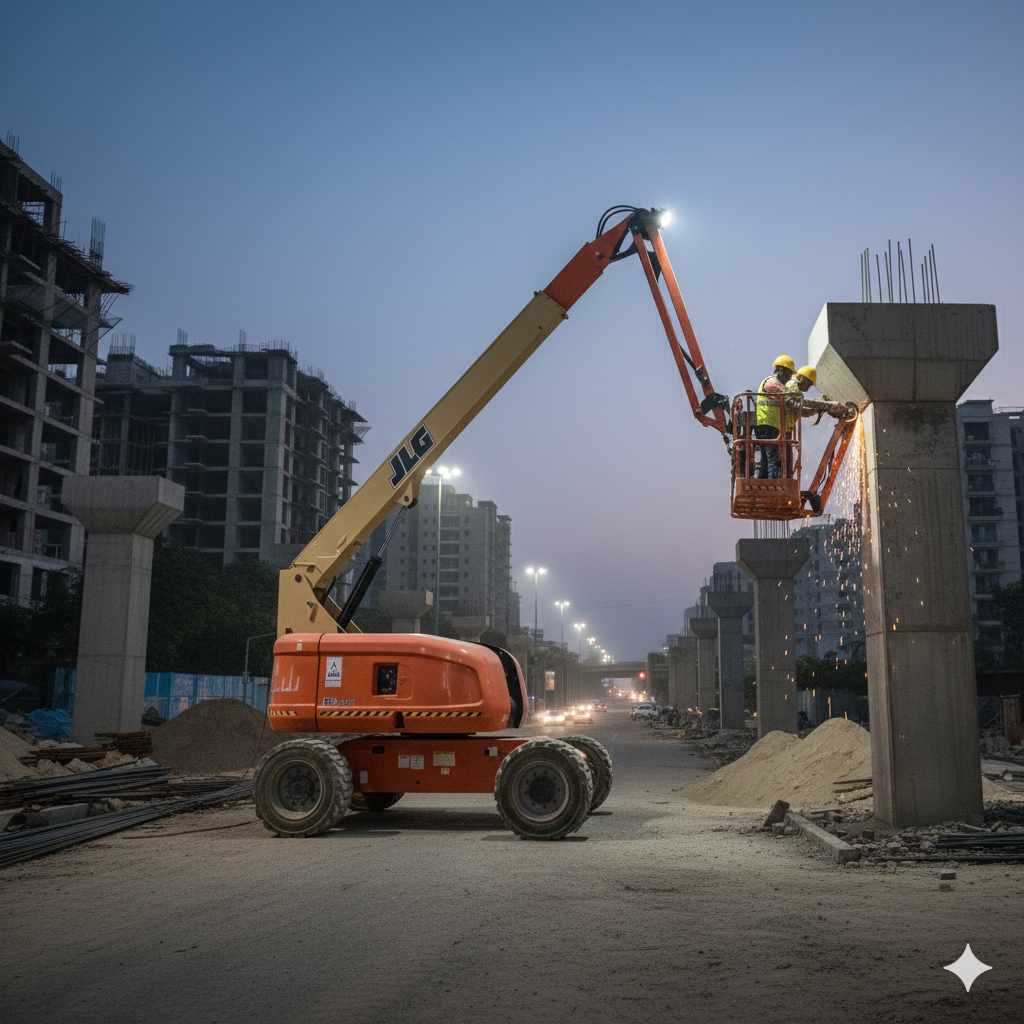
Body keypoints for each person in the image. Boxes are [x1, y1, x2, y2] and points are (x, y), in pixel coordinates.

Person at [754, 355, 795, 478]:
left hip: (768, 425)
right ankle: (774, 484)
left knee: (766, 460)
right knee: (774, 459)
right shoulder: (772, 382)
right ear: (782, 370)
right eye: (789, 374)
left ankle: (763, 481)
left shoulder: (773, 382)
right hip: (768, 425)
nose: (789, 378)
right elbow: (786, 395)